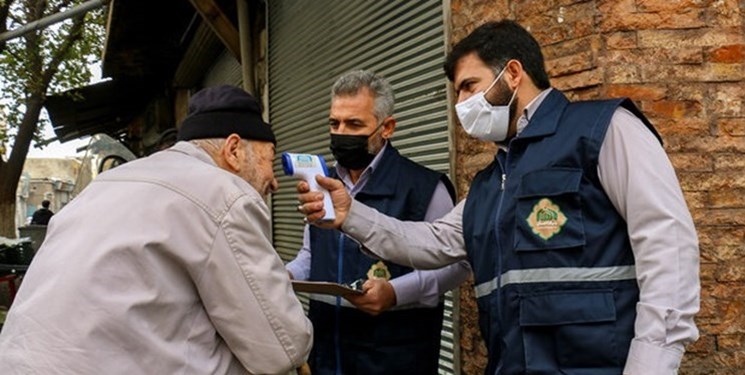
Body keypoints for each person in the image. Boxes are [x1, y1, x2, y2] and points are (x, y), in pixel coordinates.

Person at [297, 20, 700, 375]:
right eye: (456, 93)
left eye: (468, 86)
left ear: (512, 73)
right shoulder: (491, 183)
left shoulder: (602, 130)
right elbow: (430, 242)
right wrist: (351, 214)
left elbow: (669, 246)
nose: (460, 105)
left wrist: (649, 367)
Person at [0, 85, 313, 374]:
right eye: (270, 159)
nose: (273, 180)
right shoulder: (225, 193)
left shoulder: (109, 182)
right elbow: (282, 348)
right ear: (233, 150)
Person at [286, 70, 471, 374]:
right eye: (335, 123)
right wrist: (282, 276)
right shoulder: (323, 183)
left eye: (354, 124)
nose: (341, 132)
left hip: (396, 357)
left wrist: (396, 292)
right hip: (328, 356)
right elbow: (311, 254)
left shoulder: (425, 187)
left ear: (387, 128)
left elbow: (456, 265)